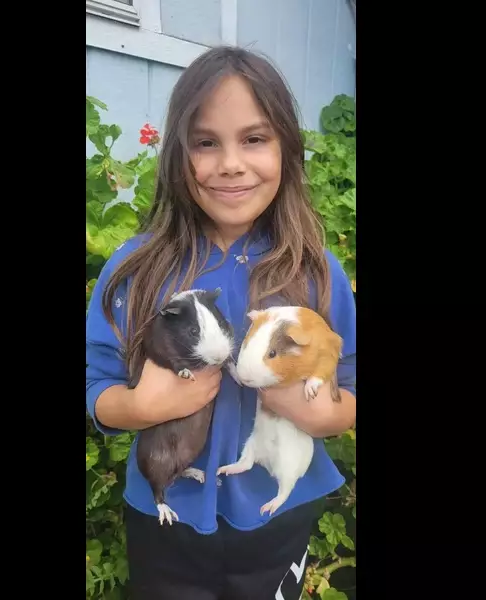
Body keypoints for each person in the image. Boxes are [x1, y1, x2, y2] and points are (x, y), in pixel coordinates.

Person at [85, 45, 357, 600]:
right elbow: (94, 382)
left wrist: (322, 413)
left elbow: (349, 382)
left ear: (288, 147)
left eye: (254, 139)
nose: (230, 163)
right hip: (166, 523)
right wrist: (138, 407)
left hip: (279, 514)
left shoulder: (317, 273)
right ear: (176, 156)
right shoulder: (136, 270)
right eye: (206, 142)